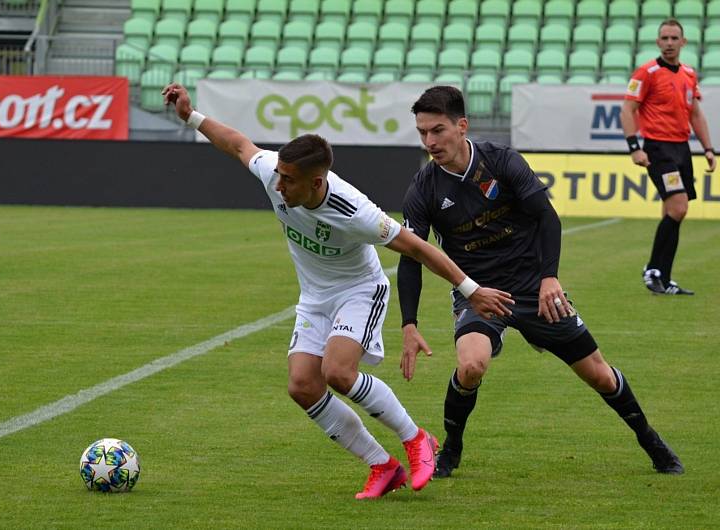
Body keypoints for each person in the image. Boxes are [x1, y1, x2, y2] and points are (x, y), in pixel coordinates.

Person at [161, 82, 514, 499]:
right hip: (315, 296)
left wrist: (470, 289)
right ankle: (382, 466)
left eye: (289, 181)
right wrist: (190, 116)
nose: (278, 187)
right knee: (302, 386)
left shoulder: (356, 212)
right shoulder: (275, 171)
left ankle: (417, 438)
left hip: (359, 290)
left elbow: (418, 248)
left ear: (316, 183)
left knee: (338, 372)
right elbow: (238, 144)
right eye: (279, 177)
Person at [397, 85, 684, 480]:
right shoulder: (424, 187)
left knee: (598, 374)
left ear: (462, 126)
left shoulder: (502, 162)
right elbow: (412, 256)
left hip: (534, 286)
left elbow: (548, 218)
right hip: (478, 294)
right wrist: (409, 323)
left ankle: (651, 440)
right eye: (422, 132)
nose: (430, 141)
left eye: (438, 130)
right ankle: (451, 448)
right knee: (471, 365)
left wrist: (550, 277)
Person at [620, 18, 716, 295]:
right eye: (665, 38)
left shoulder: (688, 73)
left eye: (675, 38)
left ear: (683, 42)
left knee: (673, 212)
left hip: (682, 149)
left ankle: (664, 278)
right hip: (659, 149)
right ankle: (652, 269)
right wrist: (634, 147)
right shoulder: (646, 72)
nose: (670, 43)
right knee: (679, 208)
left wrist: (708, 148)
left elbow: (695, 113)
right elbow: (627, 110)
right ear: (658, 41)